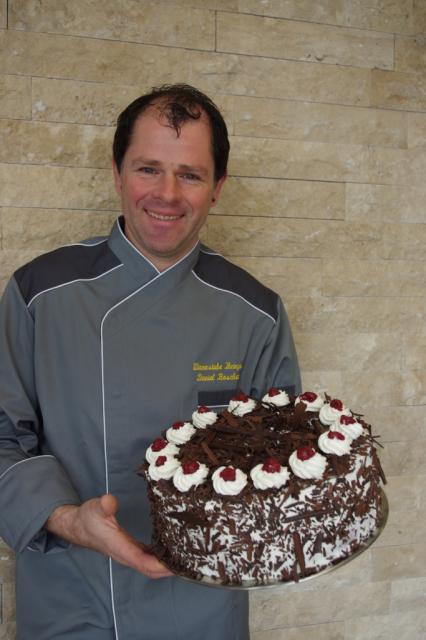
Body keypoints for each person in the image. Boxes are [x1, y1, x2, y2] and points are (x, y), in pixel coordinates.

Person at [0, 84, 301, 639]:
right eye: (148, 169)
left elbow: (283, 461)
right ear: (117, 173)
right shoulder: (40, 293)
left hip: (203, 610)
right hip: (71, 598)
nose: (167, 194)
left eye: (190, 175)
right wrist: (69, 520)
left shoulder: (255, 313)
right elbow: (2, 437)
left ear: (218, 188)